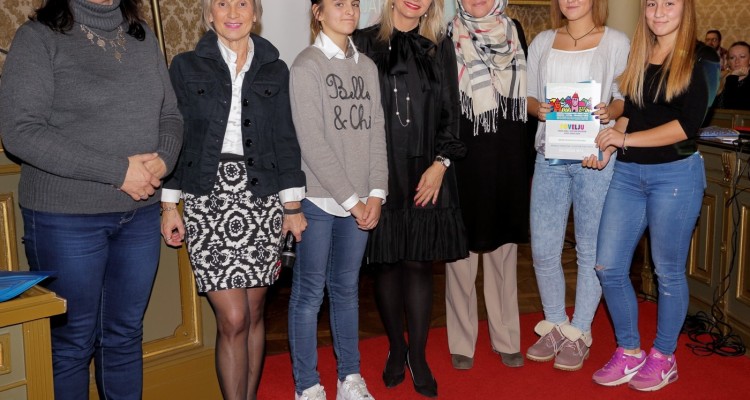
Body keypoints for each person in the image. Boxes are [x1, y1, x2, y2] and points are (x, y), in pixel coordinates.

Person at [0, 0, 182, 399]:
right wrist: (118, 171)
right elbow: (20, 131)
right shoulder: (38, 38)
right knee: (72, 344)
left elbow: (170, 115)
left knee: (125, 335)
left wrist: (163, 160)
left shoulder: (142, 36)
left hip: (139, 216)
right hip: (66, 219)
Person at [160, 1, 306, 399]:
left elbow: (285, 139)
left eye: (242, 2)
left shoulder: (275, 69)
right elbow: (175, 136)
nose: (232, 12)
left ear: (255, 12)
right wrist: (169, 205)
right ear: (209, 14)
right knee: (235, 317)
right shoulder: (185, 67)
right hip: (208, 198)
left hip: (263, 197)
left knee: (255, 314)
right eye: (221, 3)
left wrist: (292, 207)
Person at [584, 0, 713, 392]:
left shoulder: (703, 57)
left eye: (669, 3)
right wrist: (609, 145)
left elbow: (687, 126)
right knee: (607, 266)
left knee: (667, 272)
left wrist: (623, 140)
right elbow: (632, 114)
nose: (658, 11)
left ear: (686, 8)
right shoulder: (640, 52)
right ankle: (629, 350)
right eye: (652, 3)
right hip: (627, 174)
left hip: (675, 176)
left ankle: (664, 356)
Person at [353, 0, 467, 397]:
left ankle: (417, 355)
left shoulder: (440, 45)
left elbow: (452, 111)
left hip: (427, 172)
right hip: (379, 174)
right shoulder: (362, 42)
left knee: (418, 264)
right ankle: (396, 347)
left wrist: (440, 164)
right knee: (385, 265)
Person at [287, 0, 387, 399]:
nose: (349, 11)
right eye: (339, 3)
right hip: (318, 199)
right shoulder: (306, 65)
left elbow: (377, 131)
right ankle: (307, 385)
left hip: (361, 200)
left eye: (354, 4)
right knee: (309, 293)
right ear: (318, 12)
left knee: (346, 289)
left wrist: (376, 192)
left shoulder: (367, 67)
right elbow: (312, 143)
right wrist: (352, 201)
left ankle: (350, 378)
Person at [525, 0, 629, 372]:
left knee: (589, 250)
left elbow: (625, 98)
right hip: (550, 156)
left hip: (594, 158)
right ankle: (555, 324)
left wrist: (610, 112)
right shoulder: (542, 41)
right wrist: (539, 109)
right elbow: (530, 96)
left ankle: (580, 331)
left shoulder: (616, 41)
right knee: (543, 249)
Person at [444, 0, 528, 371]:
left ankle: (506, 337)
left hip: (508, 160)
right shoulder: (446, 35)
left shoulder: (515, 32)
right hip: (463, 160)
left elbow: (526, 105)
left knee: (503, 254)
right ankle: (462, 341)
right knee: (460, 257)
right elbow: (443, 104)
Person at [718, 41, 750, 110]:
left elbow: (732, 107)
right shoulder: (722, 79)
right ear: (728, 62)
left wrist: (733, 76)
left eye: (742, 56)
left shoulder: (731, 79)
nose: (737, 61)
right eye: (732, 57)